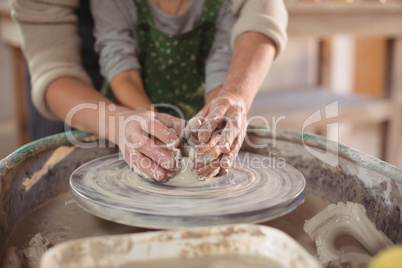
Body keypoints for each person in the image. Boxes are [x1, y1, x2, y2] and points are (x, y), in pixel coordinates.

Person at [10, 0, 288, 181]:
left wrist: (227, 102)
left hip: (191, 97)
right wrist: (134, 122)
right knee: (56, 180)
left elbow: (222, 62)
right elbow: (119, 67)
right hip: (107, 73)